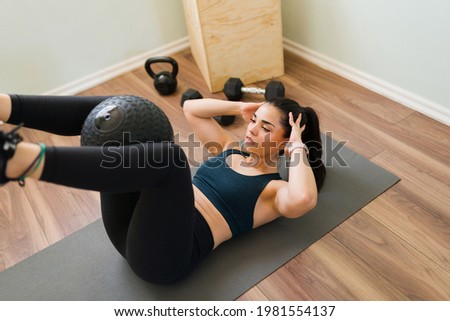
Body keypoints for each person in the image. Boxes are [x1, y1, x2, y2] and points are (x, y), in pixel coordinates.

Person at [0, 93, 326, 284]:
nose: (252, 129)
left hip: (164, 259)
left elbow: (303, 198)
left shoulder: (273, 190)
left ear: (285, 142)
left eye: (265, 127)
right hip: (128, 227)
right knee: (123, 110)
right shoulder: (228, 147)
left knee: (171, 161)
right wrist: (242, 107)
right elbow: (192, 109)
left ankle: (17, 159)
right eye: (253, 121)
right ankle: (6, 105)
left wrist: (297, 147)